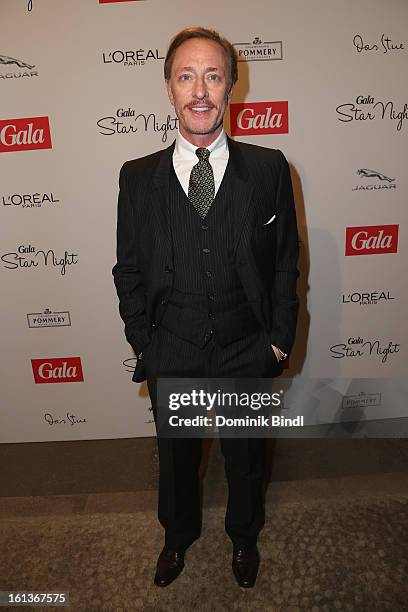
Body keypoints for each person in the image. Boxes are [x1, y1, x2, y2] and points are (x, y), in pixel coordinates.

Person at [112, 26, 299, 588]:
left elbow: (287, 262)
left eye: (213, 76)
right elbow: (128, 268)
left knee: (245, 458)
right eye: (186, 76)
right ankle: (177, 538)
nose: (200, 90)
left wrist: (278, 338)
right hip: (173, 345)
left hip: (247, 345)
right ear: (168, 89)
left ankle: (244, 538)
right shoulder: (137, 177)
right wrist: (145, 342)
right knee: (176, 463)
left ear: (231, 87)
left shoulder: (268, 169)